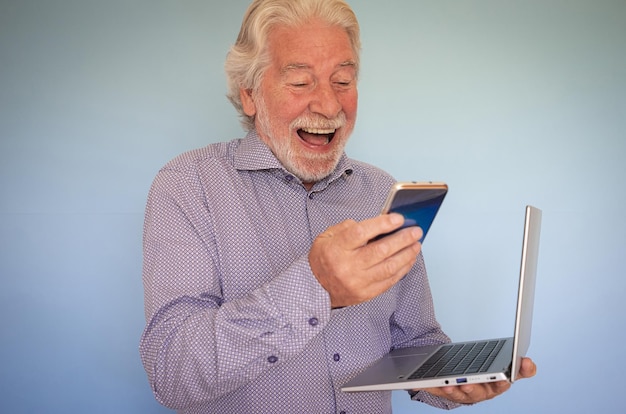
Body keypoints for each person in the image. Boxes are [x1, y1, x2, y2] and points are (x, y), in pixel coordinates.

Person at [139, 0, 537, 413]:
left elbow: (413, 340)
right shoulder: (189, 186)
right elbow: (173, 372)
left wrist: (450, 380)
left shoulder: (379, 191)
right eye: (300, 82)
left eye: (343, 81)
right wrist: (315, 287)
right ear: (250, 94)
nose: (329, 106)